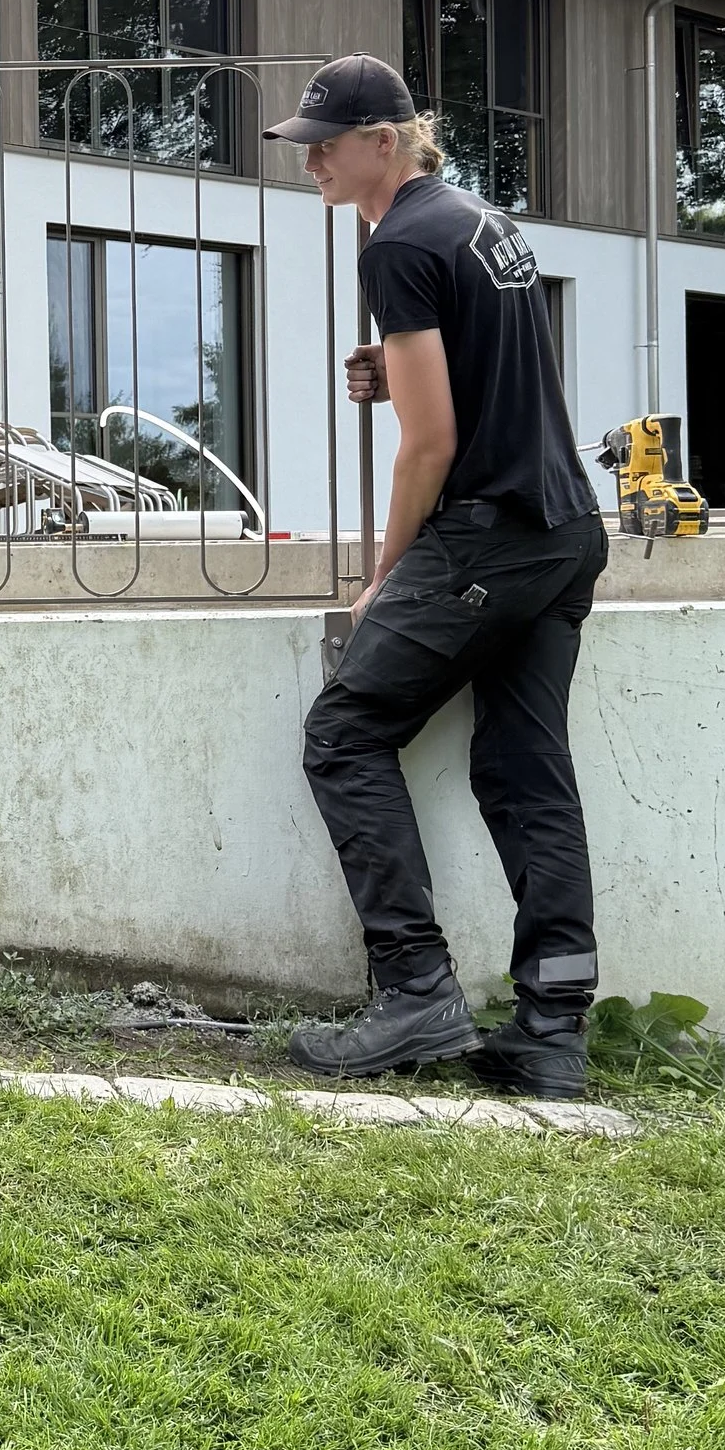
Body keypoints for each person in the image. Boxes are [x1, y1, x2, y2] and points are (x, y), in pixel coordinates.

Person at [271, 54, 607, 1096]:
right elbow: (490, 365)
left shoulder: (397, 243)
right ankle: (552, 1031)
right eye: (305, 144)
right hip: (562, 530)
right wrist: (395, 371)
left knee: (342, 734)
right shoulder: (475, 222)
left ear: (388, 139)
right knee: (521, 766)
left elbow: (429, 442)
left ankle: (413, 994)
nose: (311, 159)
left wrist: (387, 571)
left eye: (327, 142)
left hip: (488, 535)